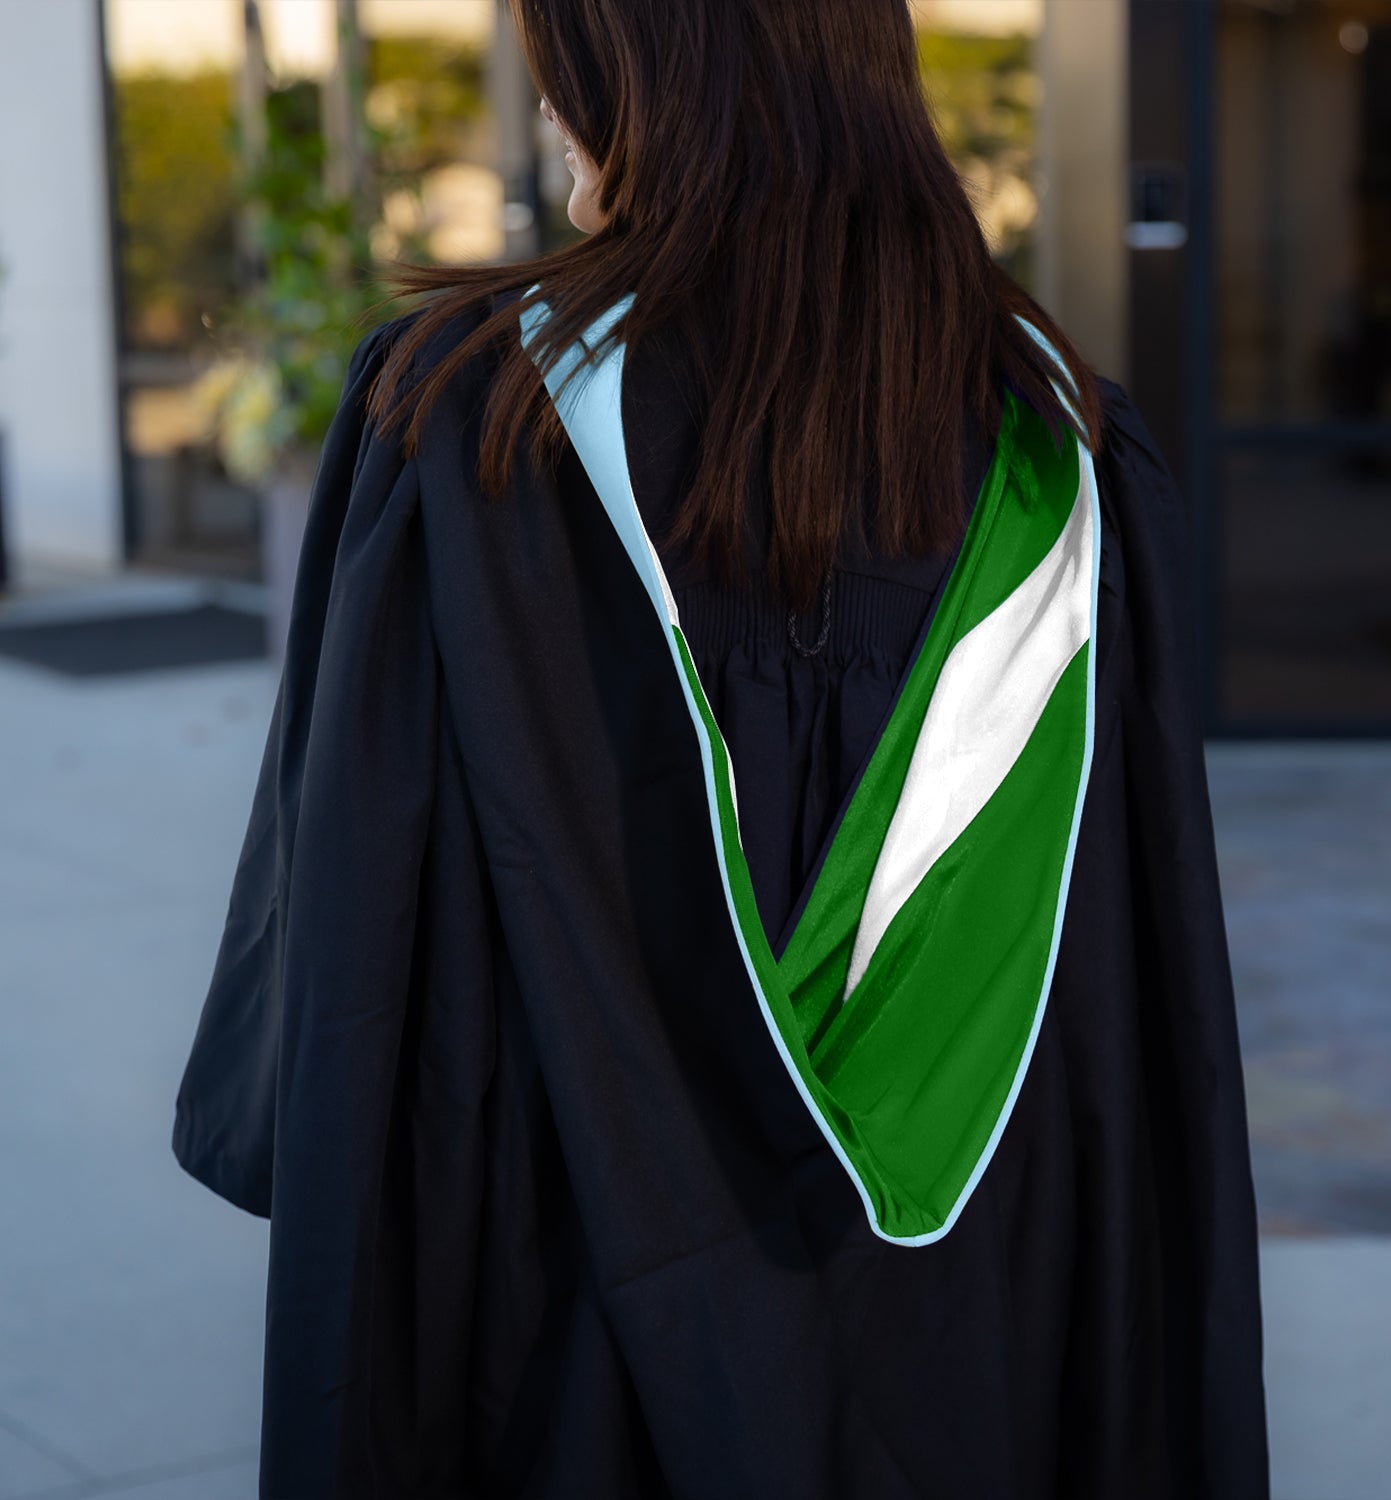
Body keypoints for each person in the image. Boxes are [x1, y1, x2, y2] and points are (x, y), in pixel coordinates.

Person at [171, 1, 1269, 1495]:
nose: (546, 105)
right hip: (987, 1323)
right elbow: (1138, 1006)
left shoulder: (469, 426)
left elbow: (358, 944)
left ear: (652, 74)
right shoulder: (1058, 437)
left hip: (560, 1319)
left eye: (565, 59)